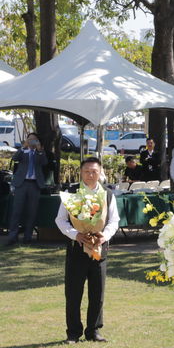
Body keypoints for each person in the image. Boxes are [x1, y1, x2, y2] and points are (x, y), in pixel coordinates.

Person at [55, 157, 120, 344]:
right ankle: (73, 333)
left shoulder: (108, 194)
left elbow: (114, 220)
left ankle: (94, 331)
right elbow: (60, 220)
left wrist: (104, 235)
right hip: (77, 250)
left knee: (97, 293)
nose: (90, 175)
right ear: (81, 173)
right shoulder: (71, 193)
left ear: (100, 173)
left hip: (100, 250)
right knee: (74, 293)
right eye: (87, 171)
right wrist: (76, 234)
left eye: (94, 171)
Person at [5, 132, 48, 246]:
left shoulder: (39, 152)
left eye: (34, 139)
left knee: (32, 211)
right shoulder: (23, 151)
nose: (32, 141)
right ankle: (12, 237)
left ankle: (27, 237)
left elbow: (44, 163)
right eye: (30, 139)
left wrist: (39, 150)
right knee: (16, 211)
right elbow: (14, 158)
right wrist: (23, 147)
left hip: (34, 184)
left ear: (38, 141)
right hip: (21, 184)